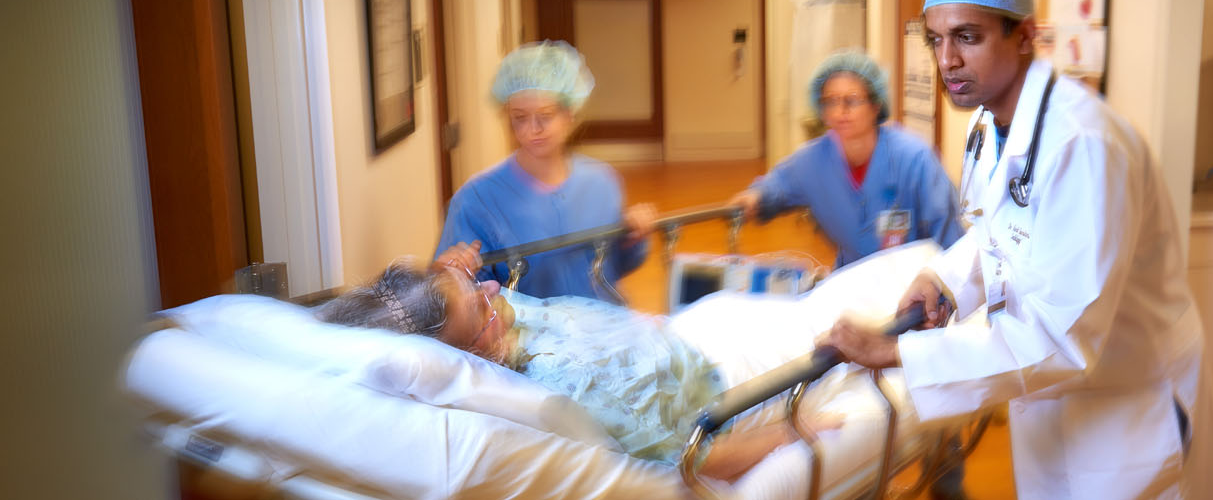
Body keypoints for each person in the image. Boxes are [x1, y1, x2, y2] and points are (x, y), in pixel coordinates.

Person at [816, 0, 1213, 499]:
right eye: (935, 39)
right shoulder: (991, 125)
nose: (946, 61)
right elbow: (999, 229)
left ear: (1025, 35)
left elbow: (1063, 341)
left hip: (1128, 411)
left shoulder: (1082, 145)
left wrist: (896, 351)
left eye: (968, 36)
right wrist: (946, 279)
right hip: (1052, 405)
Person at [316, 244, 844, 482]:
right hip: (732, 373)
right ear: (473, 352)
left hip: (700, 330)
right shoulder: (570, 389)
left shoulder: (497, 325)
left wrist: (451, 281)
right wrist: (793, 430)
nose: (495, 287)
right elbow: (698, 456)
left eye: (474, 283)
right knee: (856, 316)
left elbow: (460, 312)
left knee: (828, 302)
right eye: (480, 300)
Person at [435, 41, 656, 303]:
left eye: (545, 116)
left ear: (569, 114)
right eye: (519, 117)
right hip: (529, 339)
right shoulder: (477, 199)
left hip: (603, 332)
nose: (532, 129)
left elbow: (613, 267)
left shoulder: (601, 182)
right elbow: (461, 298)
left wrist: (633, 236)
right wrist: (452, 275)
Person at [729, 51, 963, 267]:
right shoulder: (813, 161)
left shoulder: (914, 158)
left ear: (876, 105)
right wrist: (755, 198)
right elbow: (777, 186)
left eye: (851, 101)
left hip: (915, 285)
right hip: (852, 283)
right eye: (830, 102)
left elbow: (950, 236)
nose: (840, 111)